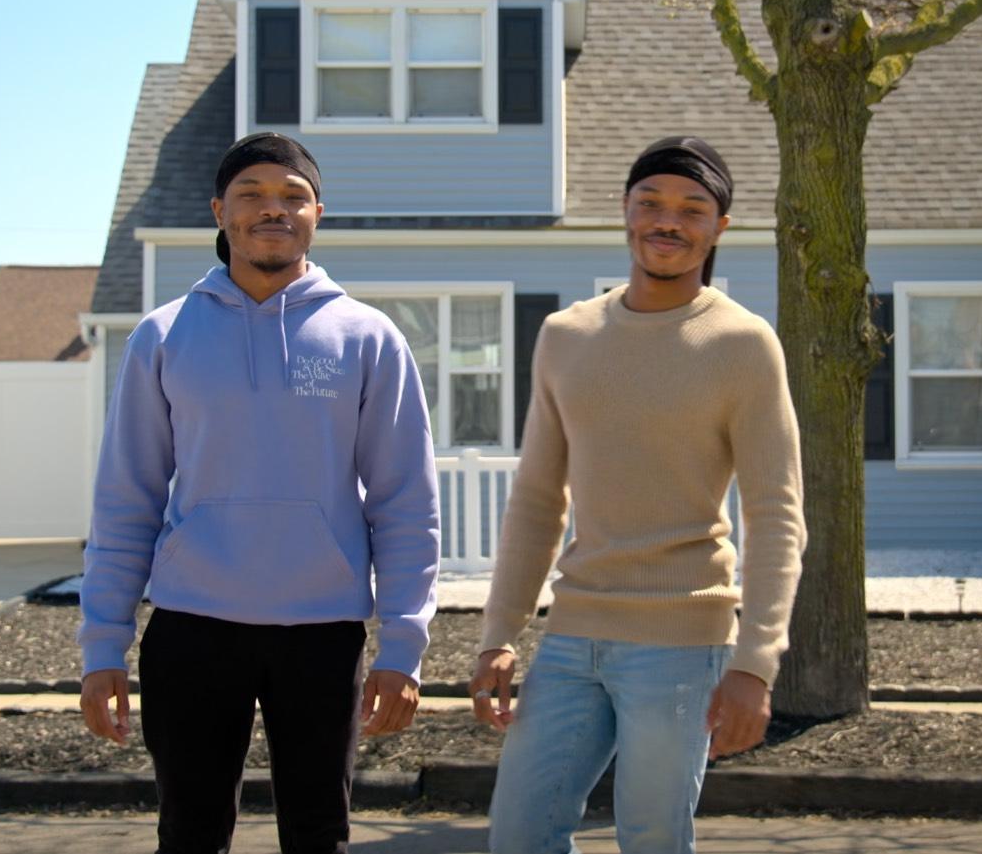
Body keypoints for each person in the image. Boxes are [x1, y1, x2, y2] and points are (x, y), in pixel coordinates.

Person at [78, 131, 440, 854]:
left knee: (317, 836)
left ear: (316, 214)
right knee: (189, 834)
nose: (272, 209)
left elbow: (404, 503)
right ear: (220, 211)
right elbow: (127, 499)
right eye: (251, 195)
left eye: (291, 196)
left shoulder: (366, 337)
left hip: (322, 633)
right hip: (191, 626)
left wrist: (403, 645)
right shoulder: (164, 335)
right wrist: (102, 645)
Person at [470, 136, 807, 854]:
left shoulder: (743, 344)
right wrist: (499, 632)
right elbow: (536, 498)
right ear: (624, 211)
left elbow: (776, 516)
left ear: (718, 227)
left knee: (652, 840)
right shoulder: (567, 335)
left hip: (681, 643)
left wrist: (754, 662)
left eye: (691, 207)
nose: (667, 219)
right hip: (570, 638)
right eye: (649, 201)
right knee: (519, 834)